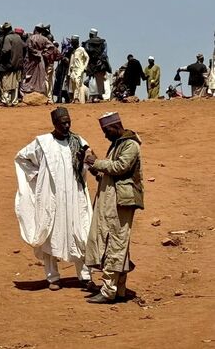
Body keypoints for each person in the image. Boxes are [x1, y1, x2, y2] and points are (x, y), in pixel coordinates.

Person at [14, 107, 94, 291]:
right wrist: (38, 176)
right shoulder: (42, 143)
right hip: (51, 197)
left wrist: (88, 160)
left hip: (74, 195)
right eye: (62, 123)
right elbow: (21, 159)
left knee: (80, 232)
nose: (66, 126)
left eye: (68, 122)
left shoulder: (78, 141)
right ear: (55, 124)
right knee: (49, 233)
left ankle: (85, 276)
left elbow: (88, 160)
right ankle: (53, 278)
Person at [84, 112, 144, 304]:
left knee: (115, 243)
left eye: (106, 131)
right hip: (113, 201)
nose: (105, 135)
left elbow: (120, 167)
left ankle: (108, 290)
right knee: (117, 243)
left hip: (122, 202)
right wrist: (94, 167)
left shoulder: (131, 145)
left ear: (116, 126)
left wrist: (97, 162)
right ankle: (119, 290)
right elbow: (110, 175)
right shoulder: (117, 144)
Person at [0, 22, 24, 106]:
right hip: (18, 65)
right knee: (15, 84)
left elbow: (6, 50)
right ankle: (14, 101)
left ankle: (5, 100)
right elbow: (24, 47)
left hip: (8, 65)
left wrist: (1, 60)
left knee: (5, 83)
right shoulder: (18, 37)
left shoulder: (8, 38)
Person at [20, 24, 55, 97]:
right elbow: (51, 47)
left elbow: (28, 47)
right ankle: (38, 91)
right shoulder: (44, 39)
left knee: (30, 76)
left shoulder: (30, 38)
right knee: (40, 75)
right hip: (40, 60)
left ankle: (30, 91)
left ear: (35, 29)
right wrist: (43, 54)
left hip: (30, 60)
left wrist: (35, 53)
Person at [82, 29, 111, 102]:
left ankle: (93, 97)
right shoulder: (103, 42)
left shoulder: (87, 42)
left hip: (91, 63)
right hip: (101, 64)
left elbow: (86, 52)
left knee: (92, 79)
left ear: (91, 34)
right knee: (100, 80)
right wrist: (100, 60)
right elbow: (105, 53)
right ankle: (99, 96)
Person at [67, 36, 89, 103]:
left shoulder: (81, 49)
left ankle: (76, 98)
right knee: (73, 83)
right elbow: (74, 60)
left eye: (73, 43)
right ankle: (75, 99)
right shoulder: (74, 51)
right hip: (74, 69)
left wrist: (85, 67)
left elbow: (87, 57)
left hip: (80, 69)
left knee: (77, 82)